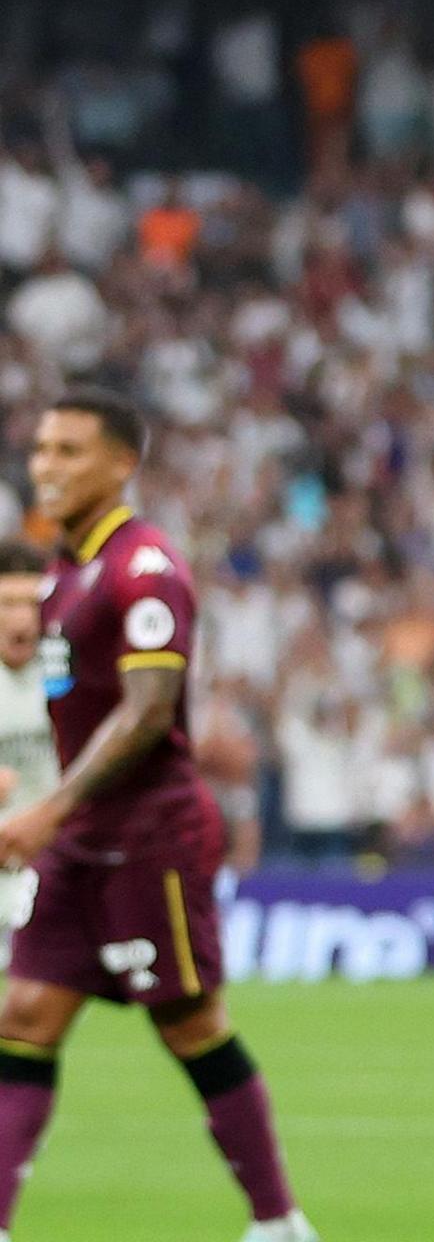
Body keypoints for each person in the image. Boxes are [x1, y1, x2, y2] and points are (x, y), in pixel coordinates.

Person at [0, 391, 316, 1242]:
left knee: (190, 1025)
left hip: (150, 834)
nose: (47, 466)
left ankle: (279, 1225)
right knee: (23, 1016)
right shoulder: (63, 571)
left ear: (119, 463)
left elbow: (148, 712)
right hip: (79, 838)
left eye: (69, 451)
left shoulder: (144, 568)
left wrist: (45, 809)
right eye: (41, 450)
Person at [0, 542, 54, 969]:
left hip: (53, 871)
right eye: (7, 603)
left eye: (30, 603)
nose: (21, 617)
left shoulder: (69, 674)